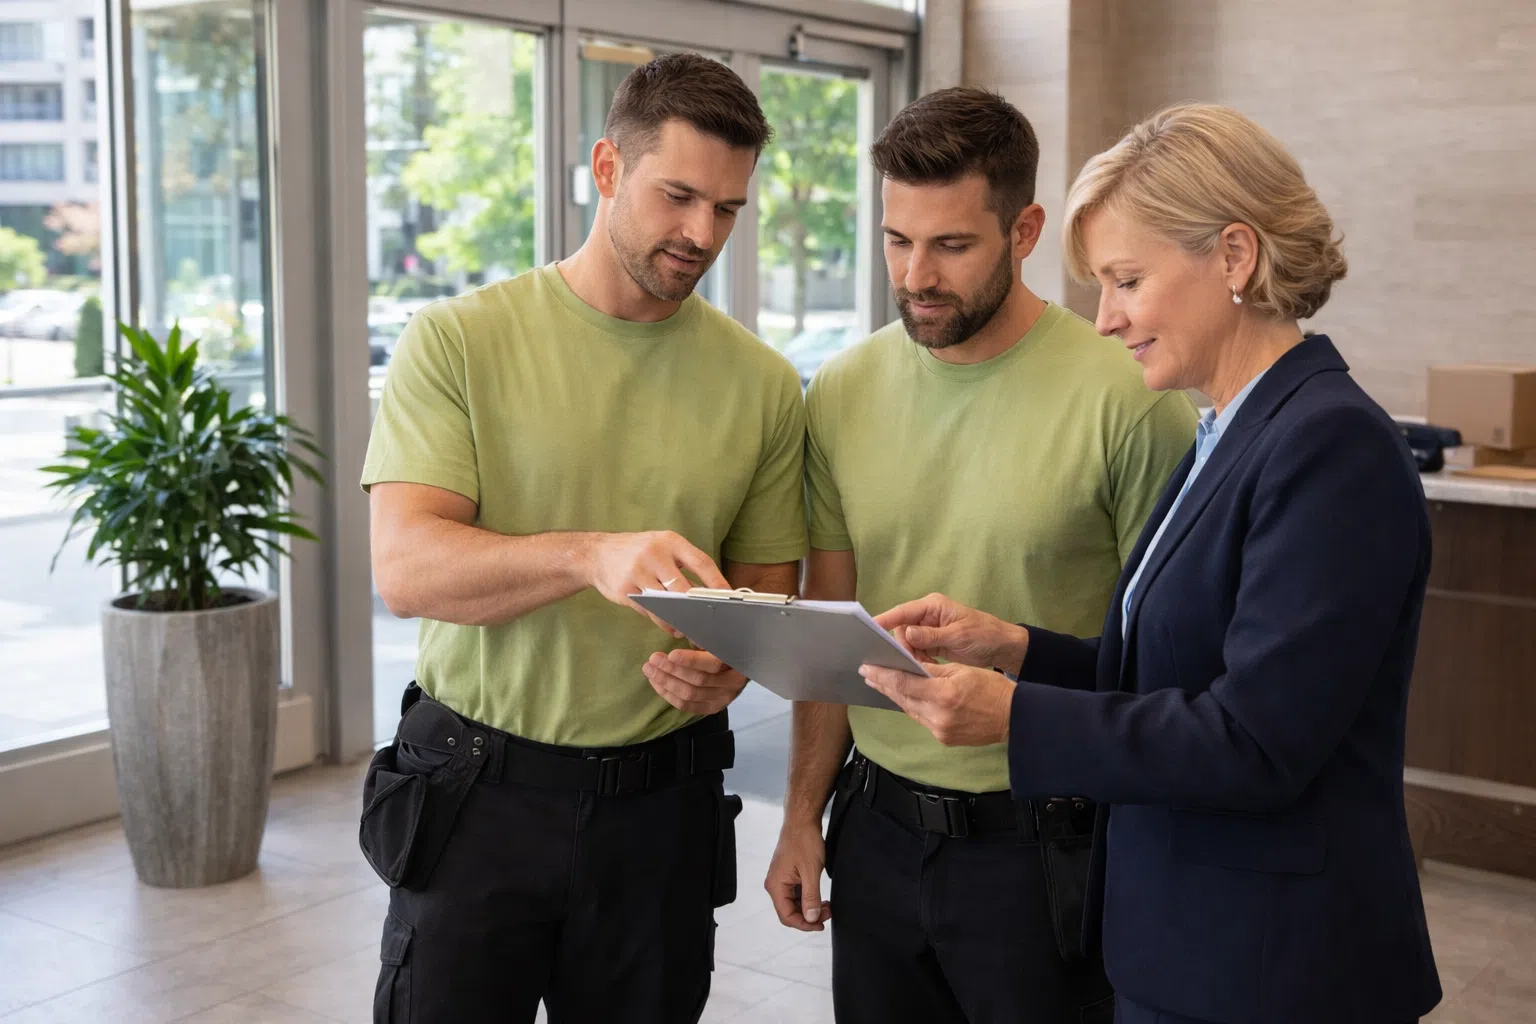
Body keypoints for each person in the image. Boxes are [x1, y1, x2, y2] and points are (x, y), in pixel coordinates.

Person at [863, 103, 1442, 1024]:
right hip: (1193, 941)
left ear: (1235, 257)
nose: (1105, 319)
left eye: (1126, 280)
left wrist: (1012, 716)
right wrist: (1014, 649)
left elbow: (1255, 742)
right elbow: (1173, 676)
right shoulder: (1229, 431)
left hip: (1273, 967)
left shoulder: (1330, 445)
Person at [359, 54, 808, 1024]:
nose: (701, 233)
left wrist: (727, 667)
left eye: (727, 209)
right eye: (677, 196)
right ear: (607, 168)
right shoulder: (458, 340)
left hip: (663, 812)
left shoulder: (765, 384)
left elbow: (764, 594)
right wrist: (586, 555)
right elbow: (405, 569)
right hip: (475, 795)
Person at [764, 87, 1197, 1024]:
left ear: (1024, 231)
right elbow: (832, 633)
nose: (916, 275)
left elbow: (1171, 667)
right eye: (896, 240)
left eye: (952, 245)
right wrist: (802, 815)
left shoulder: (1132, 398)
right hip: (875, 832)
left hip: (1051, 842)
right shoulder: (840, 390)